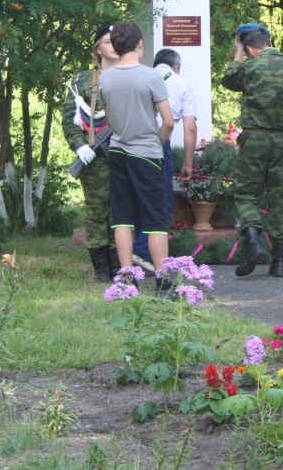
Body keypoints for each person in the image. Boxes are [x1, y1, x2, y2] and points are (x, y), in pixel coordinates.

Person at [221, 23, 283, 278]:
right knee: (278, 194)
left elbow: (228, 79)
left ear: (249, 49)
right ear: (269, 42)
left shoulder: (250, 67)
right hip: (282, 140)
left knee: (246, 193)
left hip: (255, 138)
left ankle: (254, 241)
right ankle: (279, 260)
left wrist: (237, 53)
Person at [98, 22, 175, 290]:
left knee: (122, 218)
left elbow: (110, 119)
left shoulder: (105, 77)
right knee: (156, 220)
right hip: (146, 154)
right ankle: (163, 281)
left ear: (116, 46)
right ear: (140, 43)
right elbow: (168, 122)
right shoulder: (151, 76)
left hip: (117, 152)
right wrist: (156, 143)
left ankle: (127, 278)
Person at [62, 24, 122, 282]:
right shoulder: (83, 81)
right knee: (97, 212)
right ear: (97, 48)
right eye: (108, 41)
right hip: (96, 158)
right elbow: (70, 120)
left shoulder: (131, 75)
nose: (114, 45)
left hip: (124, 155)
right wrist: (80, 146)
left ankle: (120, 265)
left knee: (120, 213)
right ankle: (101, 269)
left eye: (117, 40)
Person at [131, 48, 197, 273]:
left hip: (130, 142)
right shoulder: (181, 83)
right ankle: (142, 252)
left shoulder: (140, 77)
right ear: (176, 67)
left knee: (137, 198)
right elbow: (190, 127)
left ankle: (138, 251)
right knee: (162, 202)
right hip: (158, 141)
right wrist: (188, 163)